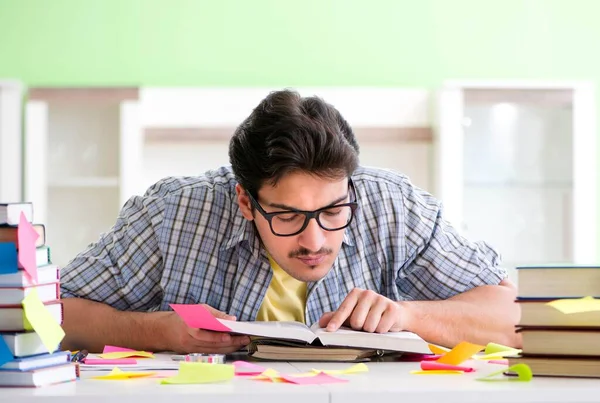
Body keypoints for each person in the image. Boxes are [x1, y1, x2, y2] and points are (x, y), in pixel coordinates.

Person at [60, 89, 520, 354]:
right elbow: (51, 315)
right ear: (245, 201)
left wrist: (409, 316)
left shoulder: (395, 206)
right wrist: (157, 332)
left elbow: (513, 319)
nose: (315, 239)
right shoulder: (174, 214)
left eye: (333, 211)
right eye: (286, 216)